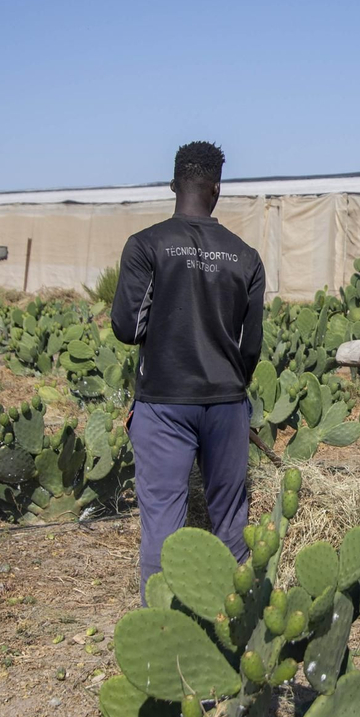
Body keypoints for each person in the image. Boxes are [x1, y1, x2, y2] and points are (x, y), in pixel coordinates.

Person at [111, 141, 265, 602]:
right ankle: (232, 624)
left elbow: (126, 326)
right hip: (225, 404)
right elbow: (249, 346)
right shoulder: (246, 257)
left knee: (163, 522)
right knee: (230, 522)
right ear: (217, 189)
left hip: (163, 404)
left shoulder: (146, 246)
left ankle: (163, 628)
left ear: (174, 185)